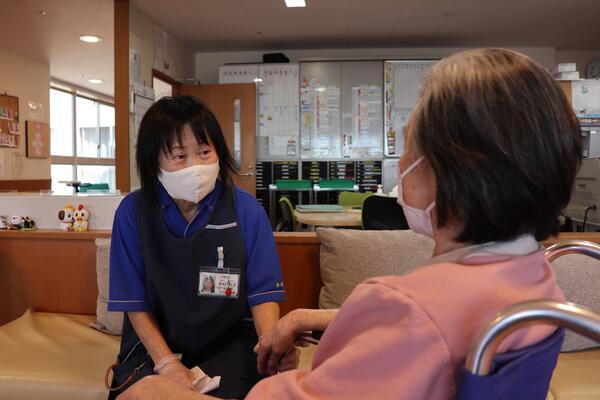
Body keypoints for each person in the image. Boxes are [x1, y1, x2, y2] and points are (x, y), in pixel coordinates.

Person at [116, 48, 582, 400]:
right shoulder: (537, 273)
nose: (400, 165)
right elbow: (445, 323)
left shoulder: (409, 307)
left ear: (454, 173)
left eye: (408, 146)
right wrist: (306, 317)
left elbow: (415, 328)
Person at [107, 96, 297, 399]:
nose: (195, 166)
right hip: (153, 346)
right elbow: (134, 303)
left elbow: (263, 295)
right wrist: (167, 363)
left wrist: (271, 348)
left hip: (227, 342)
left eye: (204, 152)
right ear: (154, 162)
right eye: (180, 157)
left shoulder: (246, 211)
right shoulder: (133, 212)